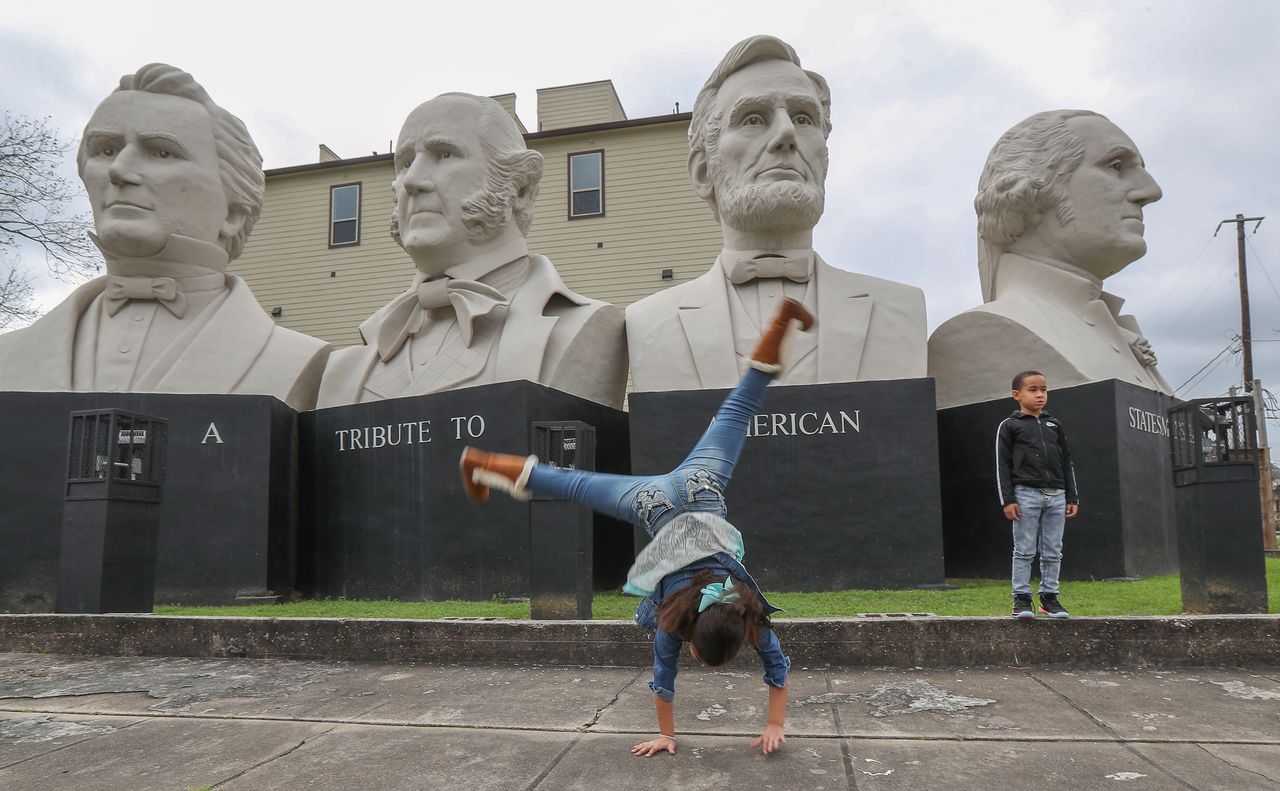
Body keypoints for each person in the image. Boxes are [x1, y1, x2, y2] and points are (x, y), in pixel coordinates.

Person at [461, 297, 815, 756]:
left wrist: (766, 723)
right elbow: (665, 680)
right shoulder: (671, 622)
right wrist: (669, 734)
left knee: (737, 411)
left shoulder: (744, 610)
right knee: (575, 485)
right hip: (655, 505)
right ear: (694, 638)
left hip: (701, 487)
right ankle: (485, 464)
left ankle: (781, 321)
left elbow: (776, 667)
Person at [0, 64, 331, 410]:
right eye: (106, 150)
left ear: (233, 212)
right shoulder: (9, 358)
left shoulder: (309, 367)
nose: (119, 170)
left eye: (161, 152)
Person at [625, 35, 926, 392]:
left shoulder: (900, 311)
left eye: (803, 118)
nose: (786, 134)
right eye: (753, 119)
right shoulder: (647, 323)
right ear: (703, 171)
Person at [317, 93, 626, 409]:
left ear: (520, 185)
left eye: (444, 154)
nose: (411, 181)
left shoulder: (585, 331)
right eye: (405, 163)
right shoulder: (343, 370)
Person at [929, 110, 1170, 408]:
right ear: (1030, 189)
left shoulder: (1112, 327)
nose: (1150, 191)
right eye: (1116, 166)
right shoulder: (982, 333)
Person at [996, 370, 1079, 619]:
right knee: (1024, 549)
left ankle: (1049, 599)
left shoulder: (1055, 425)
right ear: (1016, 395)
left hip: (1057, 495)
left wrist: (1072, 497)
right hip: (1025, 495)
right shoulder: (1010, 426)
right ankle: (1021, 600)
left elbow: (1067, 462)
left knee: (1053, 549)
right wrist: (1008, 500)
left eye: (1043, 390)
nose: (1040, 395)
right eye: (1033, 390)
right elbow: (1002, 465)